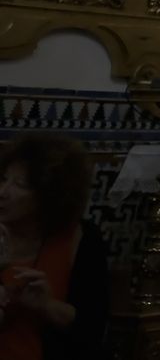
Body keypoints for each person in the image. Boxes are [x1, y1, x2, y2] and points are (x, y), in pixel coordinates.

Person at [0, 137, 109, 360]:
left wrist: (47, 306)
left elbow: (93, 330)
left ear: (49, 195)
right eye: (3, 179)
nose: (3, 192)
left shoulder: (82, 239)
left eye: (20, 185)